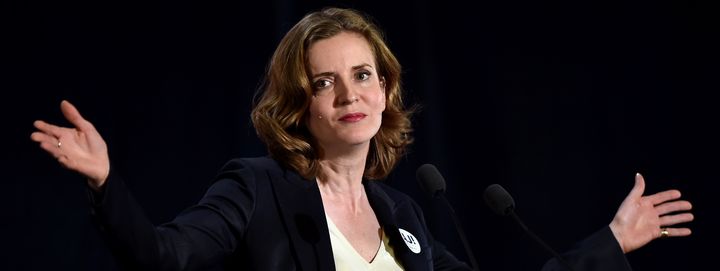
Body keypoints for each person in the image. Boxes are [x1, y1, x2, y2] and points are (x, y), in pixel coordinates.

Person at [31, 7, 694, 271]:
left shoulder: (401, 213)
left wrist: (610, 241)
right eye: (324, 83)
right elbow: (161, 258)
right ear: (299, 106)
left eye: (362, 74)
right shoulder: (257, 187)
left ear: (385, 89)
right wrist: (104, 183)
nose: (349, 94)